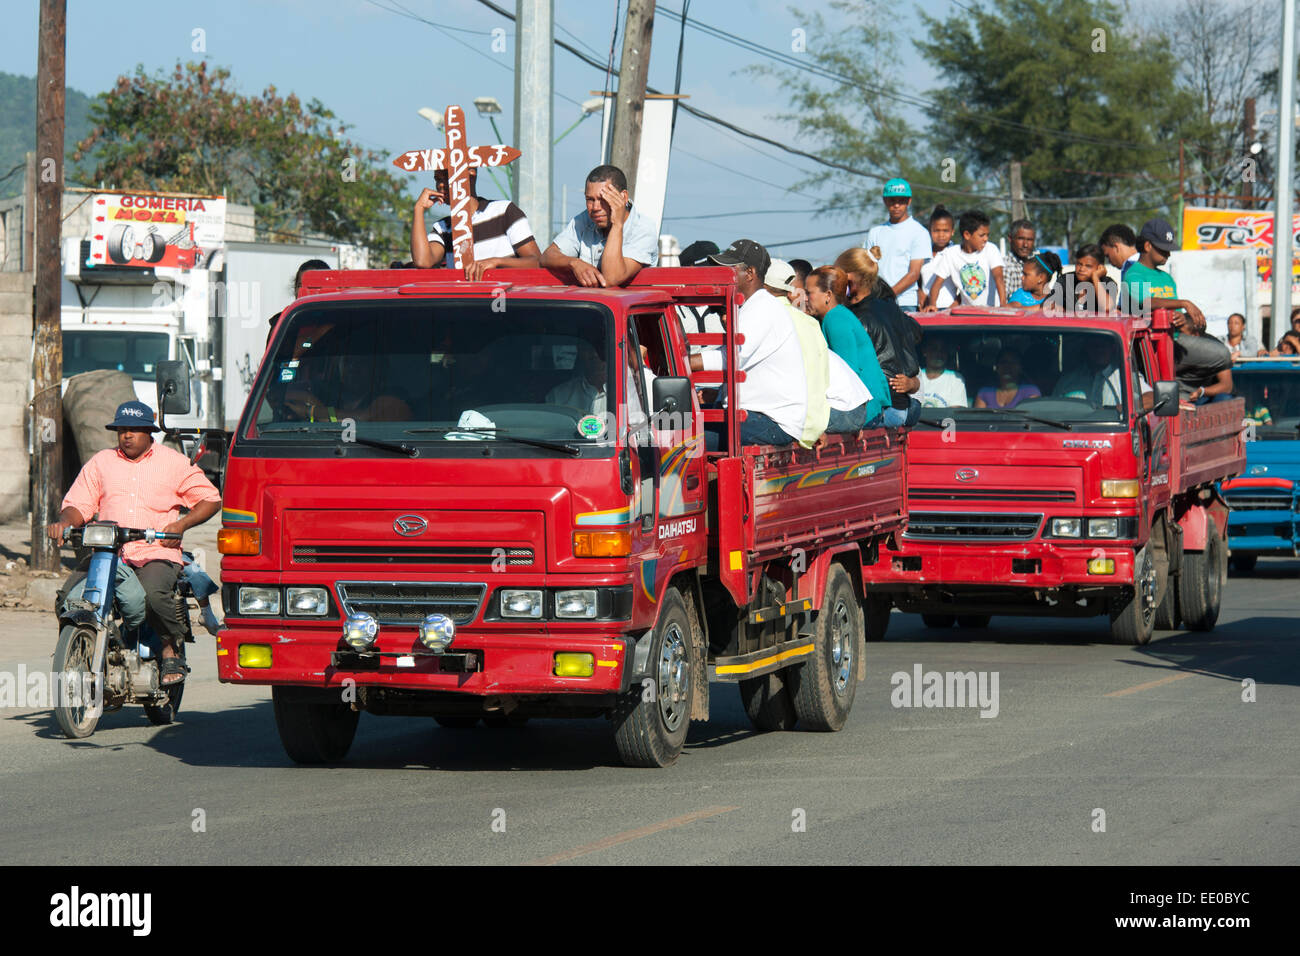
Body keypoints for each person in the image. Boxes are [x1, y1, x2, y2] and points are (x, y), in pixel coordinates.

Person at [47, 401, 222, 686]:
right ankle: (79, 650)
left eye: (134, 430)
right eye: (121, 430)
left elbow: (210, 499)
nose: (126, 435)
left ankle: (169, 650)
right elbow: (77, 505)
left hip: (155, 552)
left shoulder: (173, 462)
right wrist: (65, 522)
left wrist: (181, 524)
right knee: (67, 599)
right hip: (108, 553)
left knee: (153, 596)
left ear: (148, 432)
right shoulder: (102, 462)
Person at [689, 239, 807, 449]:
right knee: (685, 427)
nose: (722, 275)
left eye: (729, 269)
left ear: (750, 273)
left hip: (771, 421)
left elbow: (733, 356)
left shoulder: (761, 309)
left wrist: (685, 363)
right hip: (758, 416)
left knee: (685, 439)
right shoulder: (754, 306)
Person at [834, 247, 922, 426]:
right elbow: (915, 333)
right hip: (902, 407)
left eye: (837, 277)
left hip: (881, 409)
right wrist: (913, 383)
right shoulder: (891, 307)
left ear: (849, 279)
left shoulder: (854, 320)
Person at [410, 167, 541, 280]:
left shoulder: (504, 211)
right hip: (465, 305)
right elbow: (423, 262)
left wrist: (497, 262)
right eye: (437, 179)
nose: (440, 185)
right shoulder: (443, 227)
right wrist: (418, 209)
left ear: (470, 175)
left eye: (447, 177)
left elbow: (537, 262)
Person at [542, 164, 659, 287]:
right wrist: (574, 263)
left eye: (603, 199)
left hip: (628, 305)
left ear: (623, 197)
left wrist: (617, 225)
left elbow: (611, 278)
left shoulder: (643, 229)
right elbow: (547, 256)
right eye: (590, 199)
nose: (596, 208)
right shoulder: (584, 220)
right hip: (590, 304)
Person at [805, 265, 887, 426]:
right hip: (868, 405)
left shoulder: (835, 320)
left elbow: (849, 370)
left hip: (865, 410)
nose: (805, 298)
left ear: (828, 295)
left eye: (809, 293)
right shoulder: (838, 315)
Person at [764, 259, 830, 446]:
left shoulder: (766, 318)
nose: (805, 298)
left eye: (807, 292)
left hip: (790, 423)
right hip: (813, 422)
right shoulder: (810, 323)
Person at [1111, 219, 1207, 332]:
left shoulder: (1167, 278)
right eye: (1164, 249)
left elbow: (1177, 311)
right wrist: (1184, 303)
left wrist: (1182, 318)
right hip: (1151, 343)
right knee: (1218, 350)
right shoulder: (1133, 274)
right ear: (1147, 246)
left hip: (1175, 338)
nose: (1169, 254)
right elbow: (1146, 301)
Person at [863, 179, 932, 310]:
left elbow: (914, 273)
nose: (896, 205)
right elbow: (867, 268)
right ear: (885, 201)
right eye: (892, 200)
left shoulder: (919, 232)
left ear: (909, 201)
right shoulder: (875, 232)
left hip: (905, 303)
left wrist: (888, 295)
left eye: (901, 201)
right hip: (876, 302)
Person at [922, 210, 1007, 309]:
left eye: (987, 235)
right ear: (967, 235)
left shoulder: (991, 249)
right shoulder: (951, 254)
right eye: (981, 235)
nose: (985, 239)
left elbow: (999, 277)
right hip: (967, 312)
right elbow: (937, 283)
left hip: (992, 310)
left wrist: (1003, 305)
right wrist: (932, 305)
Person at [267, 258, 330, 344]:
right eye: (301, 285)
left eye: (314, 286)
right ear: (295, 288)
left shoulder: (344, 321)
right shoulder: (284, 323)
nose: (307, 291)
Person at [917, 206, 956, 309]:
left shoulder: (955, 253)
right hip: (925, 309)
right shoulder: (923, 253)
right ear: (930, 231)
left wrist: (954, 307)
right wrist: (918, 292)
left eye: (945, 231)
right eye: (936, 231)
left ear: (952, 231)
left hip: (948, 308)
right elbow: (917, 279)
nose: (941, 235)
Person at [915, 335, 968, 407]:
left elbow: (955, 412)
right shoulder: (915, 376)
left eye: (943, 349)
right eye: (934, 349)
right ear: (925, 352)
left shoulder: (955, 378)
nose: (939, 353)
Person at [975, 350, 1040, 408]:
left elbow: (1031, 419)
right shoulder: (985, 392)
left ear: (1020, 368)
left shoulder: (1030, 391)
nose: (1007, 366)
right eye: (1003, 362)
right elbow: (978, 419)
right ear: (997, 367)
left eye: (1013, 362)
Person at [1071, 243, 1118, 313]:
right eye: (1079, 264)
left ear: (1100, 268)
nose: (1082, 269)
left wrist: (1095, 277)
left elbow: (1107, 308)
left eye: (1088, 266)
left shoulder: (1108, 283)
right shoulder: (1066, 280)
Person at [1002, 219, 1037, 297]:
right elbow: (1002, 304)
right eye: (1021, 239)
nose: (1025, 245)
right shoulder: (1005, 267)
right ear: (1010, 239)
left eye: (1029, 240)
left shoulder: (1038, 265)